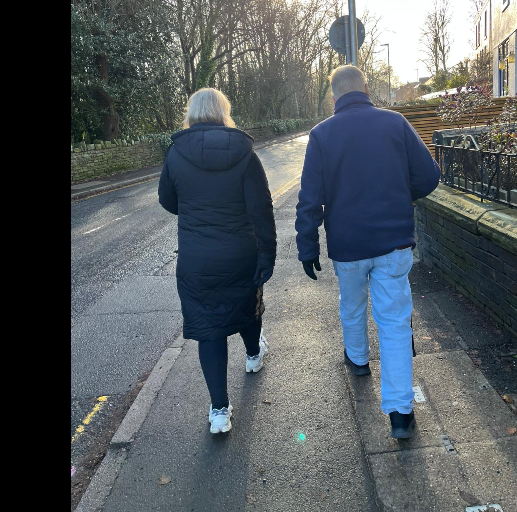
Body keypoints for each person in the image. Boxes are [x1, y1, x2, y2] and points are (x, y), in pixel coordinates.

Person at [295, 65, 440, 439]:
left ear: (333, 97)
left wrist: (307, 246)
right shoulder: (395, 123)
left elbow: (309, 199)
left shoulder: (321, 135)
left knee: (352, 303)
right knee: (394, 322)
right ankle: (401, 413)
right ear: (367, 90)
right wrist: (399, 196)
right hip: (393, 242)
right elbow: (429, 176)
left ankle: (358, 359)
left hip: (348, 245)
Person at [158, 87, 276, 434]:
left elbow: (167, 200)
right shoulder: (244, 153)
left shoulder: (176, 153)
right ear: (224, 112)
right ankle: (253, 356)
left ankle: (219, 411)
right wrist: (268, 254)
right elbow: (261, 208)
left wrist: (193, 207)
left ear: (191, 113)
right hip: (240, 252)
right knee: (247, 303)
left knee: (209, 328)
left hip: (197, 258)